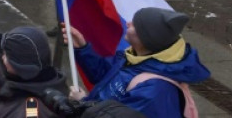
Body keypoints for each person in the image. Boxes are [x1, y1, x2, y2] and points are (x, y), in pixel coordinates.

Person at [65, 7, 209, 117]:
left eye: (134, 25)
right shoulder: (135, 56)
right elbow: (105, 77)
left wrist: (83, 103)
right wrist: (83, 48)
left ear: (146, 38)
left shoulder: (154, 91)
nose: (127, 23)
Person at [0, 26, 69, 117]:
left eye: (7, 56)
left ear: (21, 66)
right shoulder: (54, 84)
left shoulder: (26, 111)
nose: (2, 58)